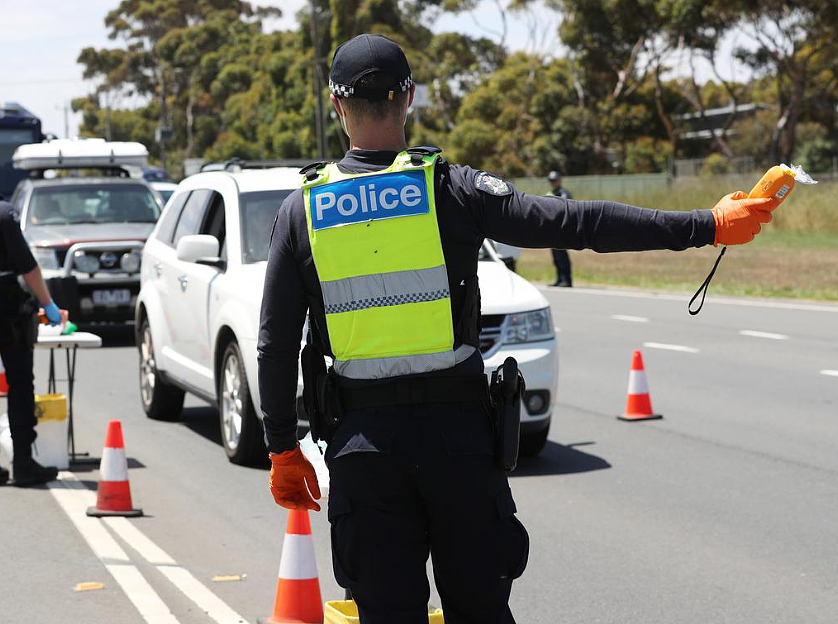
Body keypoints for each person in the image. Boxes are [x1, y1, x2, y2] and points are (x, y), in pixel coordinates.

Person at [257, 34, 778, 624]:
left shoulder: (303, 211)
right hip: (458, 445)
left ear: (335, 104)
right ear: (408, 98)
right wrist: (707, 224)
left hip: (363, 454)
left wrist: (281, 448)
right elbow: (578, 222)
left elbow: (276, 343)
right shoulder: (451, 189)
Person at [0, 199, 62, 486]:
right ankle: (23, 463)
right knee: (20, 382)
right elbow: (29, 267)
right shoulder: (4, 214)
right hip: (6, 309)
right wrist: (47, 303)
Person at [547, 170, 573, 286]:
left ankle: (566, 280)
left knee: (562, 255)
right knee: (556, 256)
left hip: (561, 229)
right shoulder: (550, 193)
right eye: (551, 180)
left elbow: (566, 207)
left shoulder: (564, 193)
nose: (553, 182)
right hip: (552, 229)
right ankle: (559, 279)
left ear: (559, 180)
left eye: (555, 180)